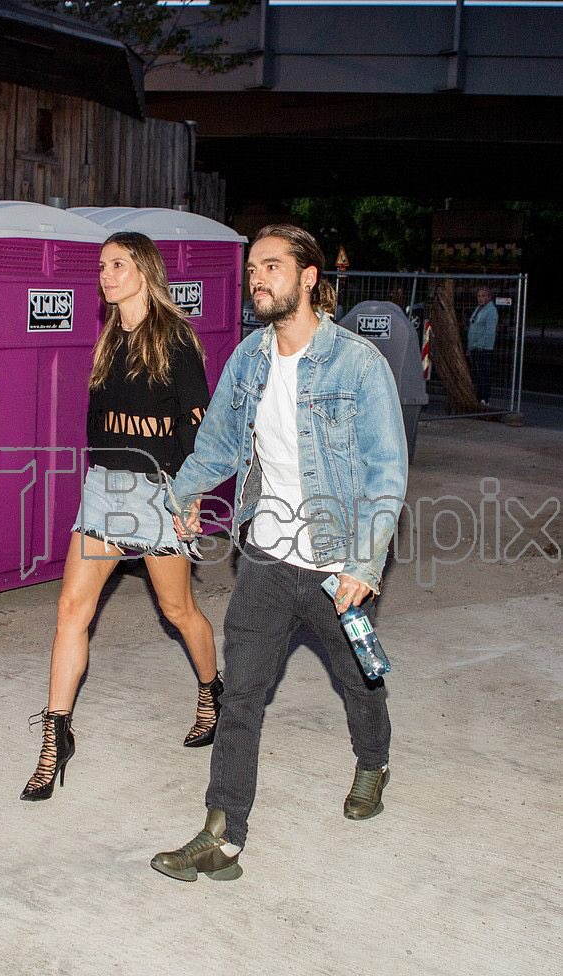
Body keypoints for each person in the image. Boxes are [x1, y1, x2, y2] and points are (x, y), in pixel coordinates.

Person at [150, 224, 408, 881]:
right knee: (240, 697)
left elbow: (386, 472)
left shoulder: (358, 364)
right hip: (266, 557)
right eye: (252, 269)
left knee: (360, 677)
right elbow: (219, 442)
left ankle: (374, 760)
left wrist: (364, 562)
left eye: (271, 266)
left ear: (309, 277)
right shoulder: (249, 358)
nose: (257, 279)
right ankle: (222, 835)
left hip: (334, 563)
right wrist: (183, 492)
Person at [20, 232, 221, 801]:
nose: (106, 275)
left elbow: (197, 426)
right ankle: (56, 735)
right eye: (102, 266)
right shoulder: (110, 338)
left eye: (118, 264)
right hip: (106, 490)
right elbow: (97, 420)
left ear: (145, 271)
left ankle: (212, 690)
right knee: (70, 609)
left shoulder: (175, 338)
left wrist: (190, 498)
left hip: (160, 492)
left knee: (178, 610)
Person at [467, 286, 498, 407]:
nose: (480, 298)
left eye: (483, 296)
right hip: (474, 347)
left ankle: (484, 398)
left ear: (489, 297)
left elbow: (490, 332)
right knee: (477, 374)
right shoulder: (478, 309)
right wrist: (470, 346)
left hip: (483, 348)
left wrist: (481, 345)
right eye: (479, 296)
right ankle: (479, 397)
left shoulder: (491, 311)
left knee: (484, 374)